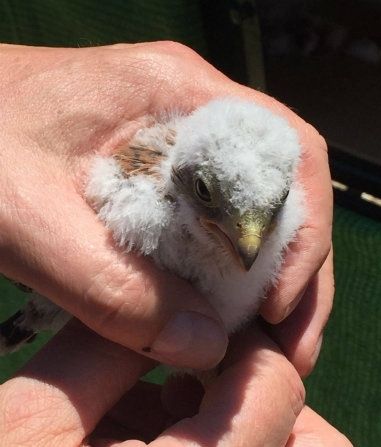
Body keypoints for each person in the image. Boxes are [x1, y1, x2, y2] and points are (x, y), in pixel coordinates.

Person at [0, 42, 350, 446]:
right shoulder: (141, 199)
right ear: (183, 176)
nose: (250, 244)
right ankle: (25, 323)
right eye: (204, 192)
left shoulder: (279, 220)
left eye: (269, 214)